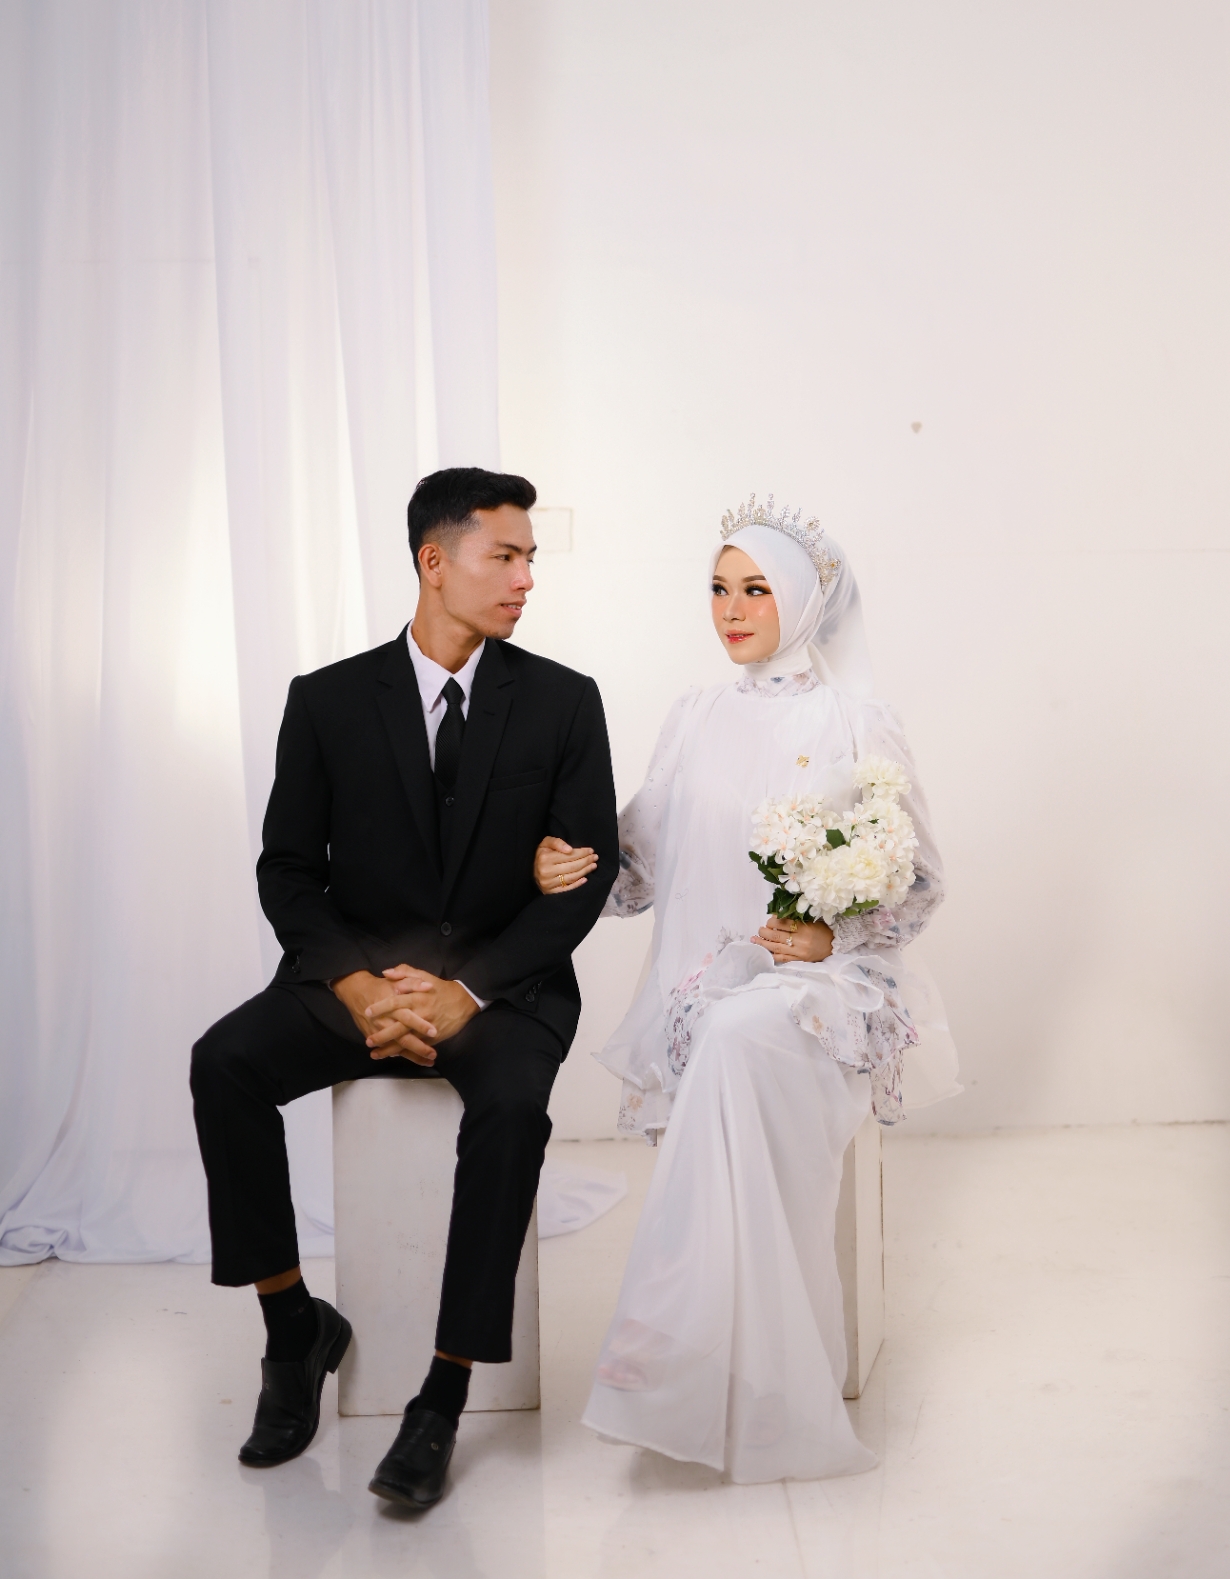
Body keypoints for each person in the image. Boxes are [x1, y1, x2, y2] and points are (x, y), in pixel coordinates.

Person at [190, 468, 618, 1509]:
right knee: (223, 1064)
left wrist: (470, 988)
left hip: (503, 988)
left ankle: (443, 1391)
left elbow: (587, 875)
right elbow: (288, 870)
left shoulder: (565, 700)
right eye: (503, 556)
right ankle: (293, 1329)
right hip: (364, 978)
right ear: (434, 561)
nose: (525, 579)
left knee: (512, 1110)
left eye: (529, 559)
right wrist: (352, 984)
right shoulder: (327, 700)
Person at [533, 495, 959, 1483]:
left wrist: (829, 933)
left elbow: (921, 880)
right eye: (719, 588)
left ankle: (666, 1347)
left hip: (826, 990)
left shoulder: (857, 721)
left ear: (804, 600)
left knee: (736, 1037)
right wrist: (559, 862)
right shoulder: (696, 716)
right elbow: (636, 867)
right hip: (710, 988)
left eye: (756, 589)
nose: (731, 609)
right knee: (724, 1036)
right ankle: (741, 1379)